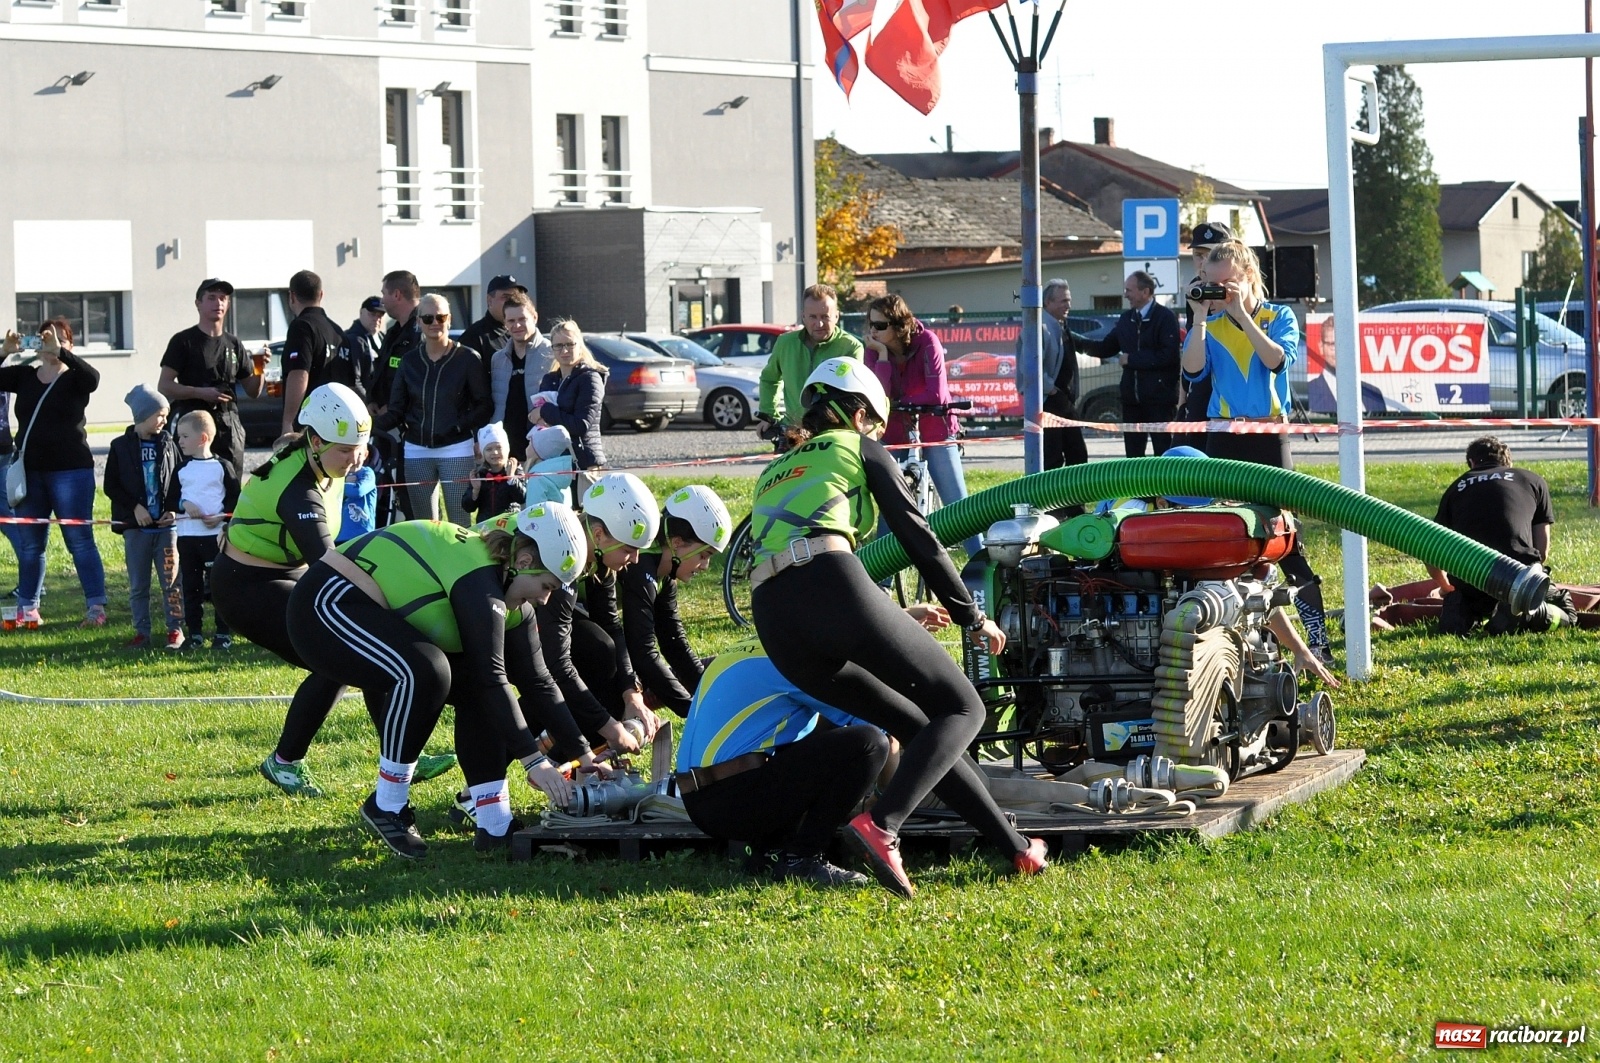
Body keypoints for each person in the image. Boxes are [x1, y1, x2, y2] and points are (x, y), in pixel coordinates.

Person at [748, 357, 1046, 897]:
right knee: (964, 708)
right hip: (828, 581)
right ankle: (883, 826)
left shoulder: (780, 464)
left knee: (918, 725)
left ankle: (1016, 848)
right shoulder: (857, 447)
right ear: (861, 412)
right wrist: (970, 615)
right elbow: (919, 538)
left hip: (772, 615)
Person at [285, 504, 589, 857]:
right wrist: (535, 762)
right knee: (427, 670)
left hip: (362, 606)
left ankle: (495, 825)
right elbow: (496, 677)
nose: (544, 598)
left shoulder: (507, 594)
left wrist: (585, 754)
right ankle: (388, 804)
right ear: (523, 562)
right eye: (545, 585)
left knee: (475, 686)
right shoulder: (478, 575)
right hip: (324, 602)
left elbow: (539, 682)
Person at [212, 383, 454, 797]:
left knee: (363, 648)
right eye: (346, 449)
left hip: (286, 573)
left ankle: (399, 754)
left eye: (361, 447)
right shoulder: (298, 488)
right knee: (337, 654)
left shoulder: (325, 461)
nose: (357, 458)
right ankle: (284, 762)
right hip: (246, 588)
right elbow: (328, 565)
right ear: (317, 440)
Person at [1180, 241, 1332, 664]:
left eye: (1225, 283)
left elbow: (1277, 360)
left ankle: (1317, 643)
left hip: (1268, 437)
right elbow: (1192, 370)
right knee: (1228, 539)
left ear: (1248, 276)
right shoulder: (1208, 323)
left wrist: (1241, 314)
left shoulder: (1276, 315)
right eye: (1209, 285)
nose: (1217, 292)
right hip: (1224, 438)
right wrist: (1198, 320)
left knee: (1286, 541)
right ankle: (1244, 639)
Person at [535, 472, 661, 754]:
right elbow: (556, 661)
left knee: (601, 649)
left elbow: (612, 626)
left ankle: (573, 757)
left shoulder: (596, 553)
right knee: (584, 654)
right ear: (600, 534)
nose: (636, 560)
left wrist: (632, 693)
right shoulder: (565, 553)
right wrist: (610, 727)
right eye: (630, 549)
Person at [0, 320, 107, 628]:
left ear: (69, 345)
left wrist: (61, 353)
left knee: (80, 540)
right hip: (30, 472)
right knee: (31, 544)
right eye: (45, 338)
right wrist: (5, 351)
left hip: (71, 471)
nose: (50, 344)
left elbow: (93, 378)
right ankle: (28, 609)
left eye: (58, 340)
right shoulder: (24, 375)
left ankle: (96, 607)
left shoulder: (74, 378)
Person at [860, 293, 979, 556]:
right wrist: (880, 357)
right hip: (894, 431)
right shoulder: (872, 349)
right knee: (890, 506)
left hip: (935, 426)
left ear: (898, 325)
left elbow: (936, 393)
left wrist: (899, 401)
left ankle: (981, 570)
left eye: (880, 326)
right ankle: (883, 583)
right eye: (870, 324)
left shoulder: (927, 341)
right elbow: (879, 395)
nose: (873, 331)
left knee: (958, 505)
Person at [1432, 436, 1571, 635]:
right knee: (1568, 613)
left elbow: (1432, 548)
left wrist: (1445, 586)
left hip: (1470, 580)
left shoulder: (1456, 487)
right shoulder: (1532, 480)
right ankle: (1527, 613)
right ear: (1508, 461)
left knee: (1462, 603)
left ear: (1471, 463)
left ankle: (1459, 610)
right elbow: (1542, 550)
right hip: (1519, 578)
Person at [378, 292, 493, 526]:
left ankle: (462, 563)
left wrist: (459, 425)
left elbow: (485, 404)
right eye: (428, 318)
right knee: (424, 524)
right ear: (418, 322)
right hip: (416, 450)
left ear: (449, 319)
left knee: (459, 521)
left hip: (456, 448)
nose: (434, 323)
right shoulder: (409, 361)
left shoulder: (468, 358)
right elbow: (396, 409)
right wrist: (365, 428)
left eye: (440, 317)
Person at [617, 485, 732, 715]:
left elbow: (674, 643)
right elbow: (642, 653)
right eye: (704, 555)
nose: (706, 566)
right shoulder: (642, 567)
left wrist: (711, 699)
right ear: (677, 542)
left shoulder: (665, 573)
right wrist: (693, 711)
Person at [157, 278, 263, 480]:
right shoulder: (183, 341)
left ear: (228, 304)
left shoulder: (234, 344)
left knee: (230, 483)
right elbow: (165, 385)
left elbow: (253, 390)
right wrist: (200, 392)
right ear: (198, 303)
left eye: (223, 298)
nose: (218, 303)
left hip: (228, 425)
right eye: (212, 298)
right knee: (193, 483)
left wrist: (260, 368)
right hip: (194, 422)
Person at [104, 384, 184, 649]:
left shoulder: (170, 444)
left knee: (171, 582)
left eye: (166, 415)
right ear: (142, 415)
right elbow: (111, 485)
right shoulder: (120, 447)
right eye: (160, 415)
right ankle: (142, 632)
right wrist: (134, 508)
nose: (164, 420)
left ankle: (175, 630)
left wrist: (172, 508)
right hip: (135, 529)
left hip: (166, 530)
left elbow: (179, 480)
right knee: (139, 585)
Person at [168, 410, 240, 650]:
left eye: (185, 436)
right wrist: (183, 504)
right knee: (191, 587)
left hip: (215, 538)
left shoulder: (222, 466)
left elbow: (235, 501)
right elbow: (169, 501)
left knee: (219, 586)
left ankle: (222, 634)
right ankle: (195, 634)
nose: (180, 441)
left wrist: (221, 519)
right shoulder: (181, 469)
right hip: (188, 538)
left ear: (203, 438)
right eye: (179, 436)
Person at [1092, 271, 1183, 457]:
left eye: (1129, 290)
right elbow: (1105, 348)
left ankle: (1165, 486)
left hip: (1160, 400)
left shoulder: (1165, 317)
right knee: (1133, 456)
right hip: (1132, 402)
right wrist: (1071, 339)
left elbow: (1168, 356)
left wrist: (1131, 360)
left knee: (1164, 452)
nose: (1125, 295)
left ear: (1145, 292)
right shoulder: (1127, 319)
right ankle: (1136, 487)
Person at [757, 283, 862, 426]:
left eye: (825, 317)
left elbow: (854, 394)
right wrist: (768, 415)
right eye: (813, 317)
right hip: (794, 429)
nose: (819, 324)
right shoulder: (785, 343)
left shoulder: (851, 347)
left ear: (836, 316)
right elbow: (769, 379)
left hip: (834, 431)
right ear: (803, 317)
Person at [1015, 279, 1088, 471]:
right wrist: (1052, 390)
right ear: (1048, 303)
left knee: (1078, 455)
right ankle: (1052, 501)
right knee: (1052, 459)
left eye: (1069, 300)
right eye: (1063, 301)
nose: (1068, 305)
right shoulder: (1038, 328)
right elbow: (1029, 367)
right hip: (1048, 402)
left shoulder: (1061, 326)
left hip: (1064, 402)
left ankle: (1075, 501)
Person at [533, 319, 607, 497]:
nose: (564, 350)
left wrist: (545, 411)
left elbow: (580, 425)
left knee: (585, 518)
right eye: (558, 346)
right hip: (554, 458)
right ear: (551, 348)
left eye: (569, 344)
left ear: (579, 345)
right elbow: (536, 420)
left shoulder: (590, 378)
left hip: (583, 461)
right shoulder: (549, 379)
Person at [372, 271, 423, 525]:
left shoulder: (419, 330)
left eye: (384, 293)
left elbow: (415, 382)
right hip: (386, 427)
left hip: (406, 429)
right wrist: (373, 401)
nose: (382, 299)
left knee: (408, 498)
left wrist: (392, 410)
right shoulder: (394, 331)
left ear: (397, 294)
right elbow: (383, 371)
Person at [1176, 223, 1231, 429]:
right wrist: (1183, 398)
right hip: (1201, 381)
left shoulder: (1240, 289)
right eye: (1198, 254)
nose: (1204, 261)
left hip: (1231, 380)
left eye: (1212, 254)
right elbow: (1190, 343)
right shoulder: (1195, 290)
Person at [279, 270, 347, 437]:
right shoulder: (337, 330)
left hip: (310, 420)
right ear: (321, 295)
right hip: (337, 417)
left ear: (292, 296)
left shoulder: (301, 326)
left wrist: (288, 421)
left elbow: (299, 373)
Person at [489, 291, 553, 464]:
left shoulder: (552, 353)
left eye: (522, 319)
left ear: (534, 317)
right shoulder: (498, 359)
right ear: (505, 324)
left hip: (541, 447)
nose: (517, 325)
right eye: (511, 321)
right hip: (506, 451)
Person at [461, 422, 526, 522]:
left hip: (510, 525)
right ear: (483, 453)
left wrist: (511, 479)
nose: (495, 452)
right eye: (489, 449)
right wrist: (475, 490)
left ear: (507, 448)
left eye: (499, 447)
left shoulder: (515, 469)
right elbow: (468, 507)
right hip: (486, 525)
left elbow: (522, 498)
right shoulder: (479, 474)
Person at [458, 274, 525, 363]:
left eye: (515, 297)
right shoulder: (474, 337)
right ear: (489, 300)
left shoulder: (522, 332)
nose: (511, 302)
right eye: (505, 297)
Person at [330, 295, 383, 404]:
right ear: (361, 313)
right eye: (372, 314)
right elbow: (353, 382)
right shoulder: (353, 339)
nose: (376, 319)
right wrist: (369, 403)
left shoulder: (382, 337)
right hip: (362, 406)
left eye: (380, 315)